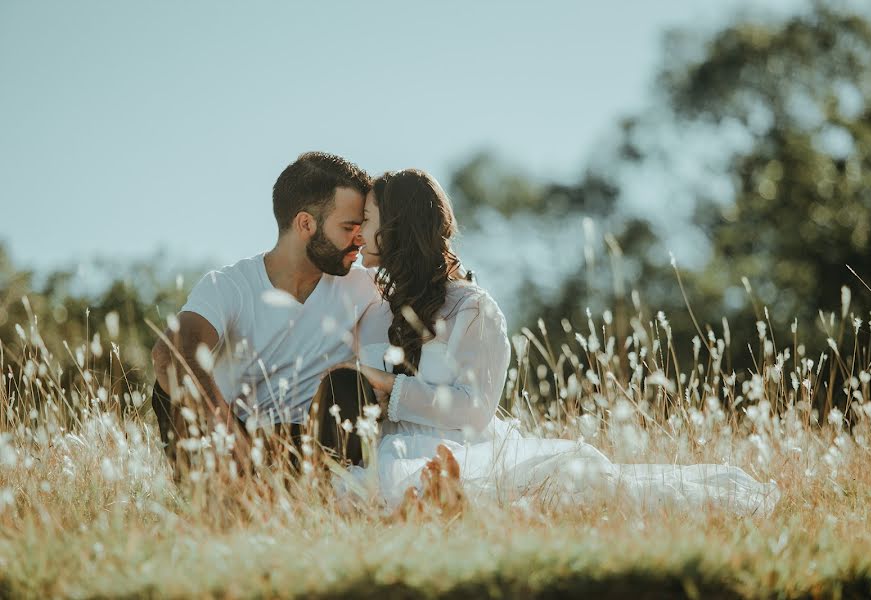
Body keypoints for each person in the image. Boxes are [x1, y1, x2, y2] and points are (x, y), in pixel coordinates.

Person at [330, 168, 780, 515]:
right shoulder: (368, 305)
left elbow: (475, 408)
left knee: (576, 490)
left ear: (398, 227)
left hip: (463, 450)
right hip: (386, 452)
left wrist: (391, 389)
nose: (357, 232)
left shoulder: (472, 308)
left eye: (367, 220)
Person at [150, 152, 380, 474]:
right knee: (170, 383)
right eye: (348, 227)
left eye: (363, 228)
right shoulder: (229, 286)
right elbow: (170, 354)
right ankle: (224, 501)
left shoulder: (367, 287)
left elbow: (436, 282)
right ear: (306, 224)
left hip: (313, 448)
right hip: (232, 441)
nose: (360, 239)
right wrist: (230, 436)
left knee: (348, 384)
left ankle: (329, 496)